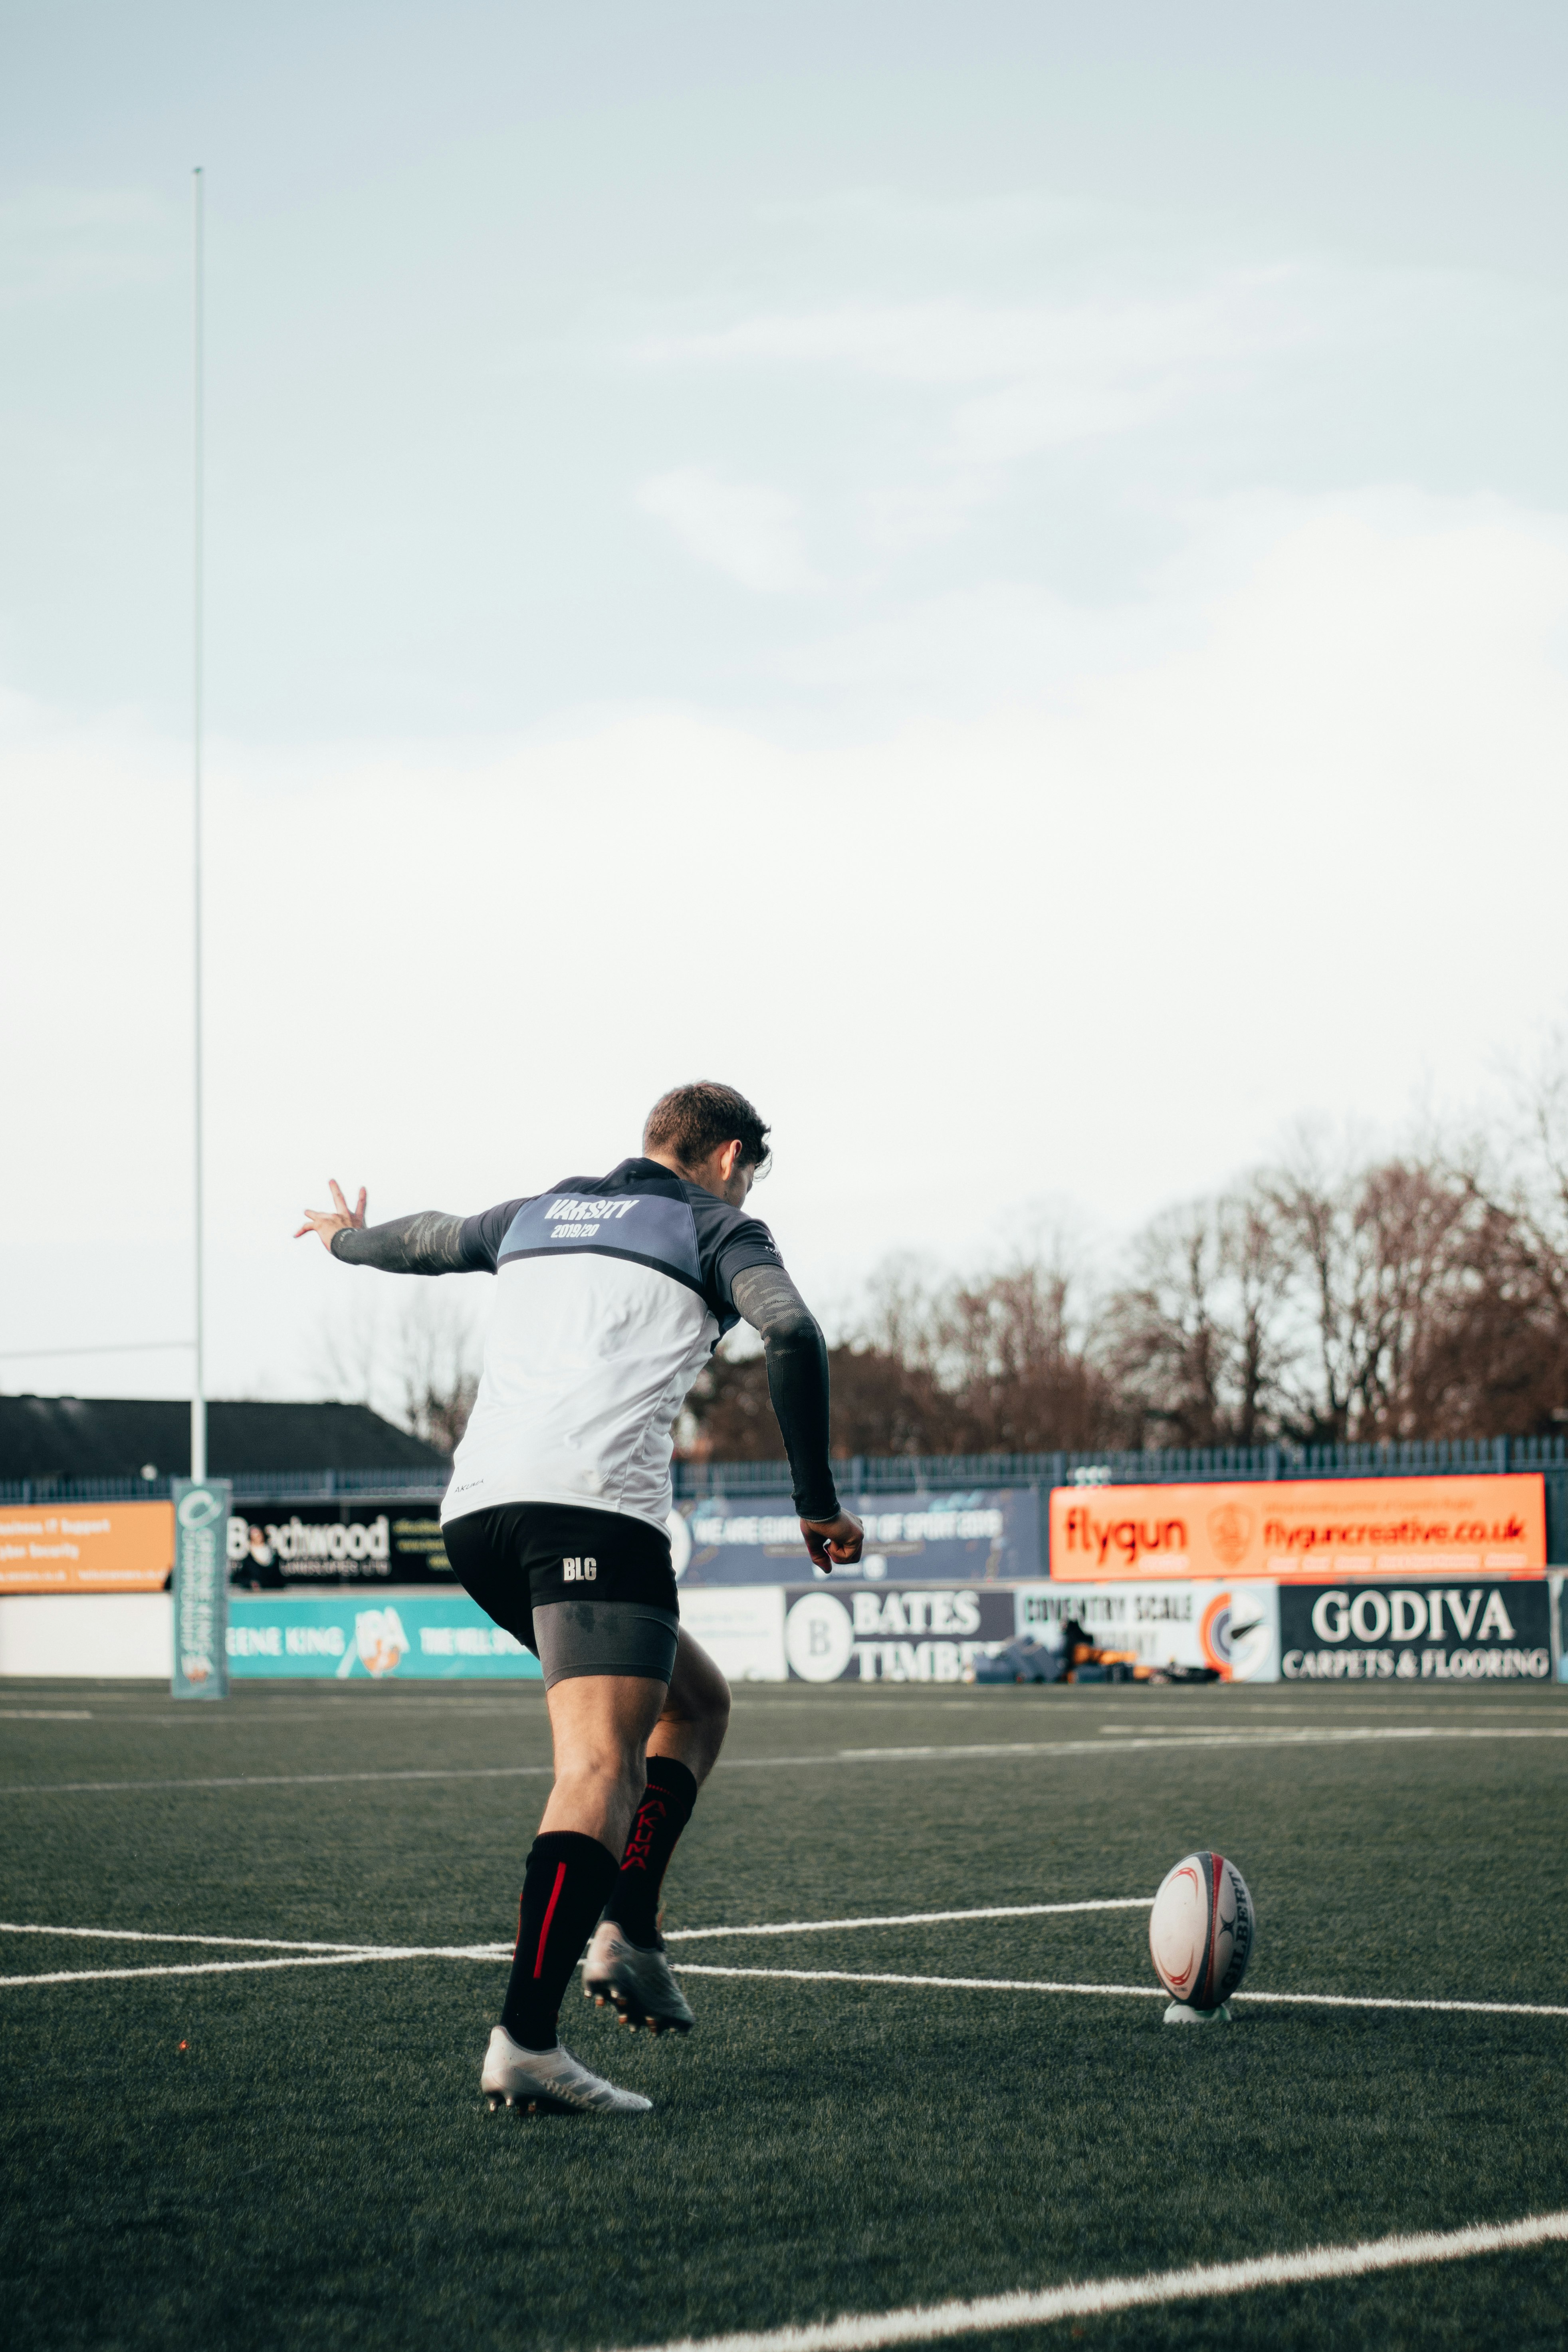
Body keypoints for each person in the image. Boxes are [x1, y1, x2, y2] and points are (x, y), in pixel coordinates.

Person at [296, 1081, 862, 2116]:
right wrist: (816, 1505)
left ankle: (631, 1928)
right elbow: (792, 1332)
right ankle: (527, 2038)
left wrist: (344, 1238)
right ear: (730, 1154)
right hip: (592, 1514)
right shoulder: (717, 1221)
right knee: (601, 1767)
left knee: (696, 1705)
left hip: (477, 1519)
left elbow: (426, 1239)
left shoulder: (540, 1212)